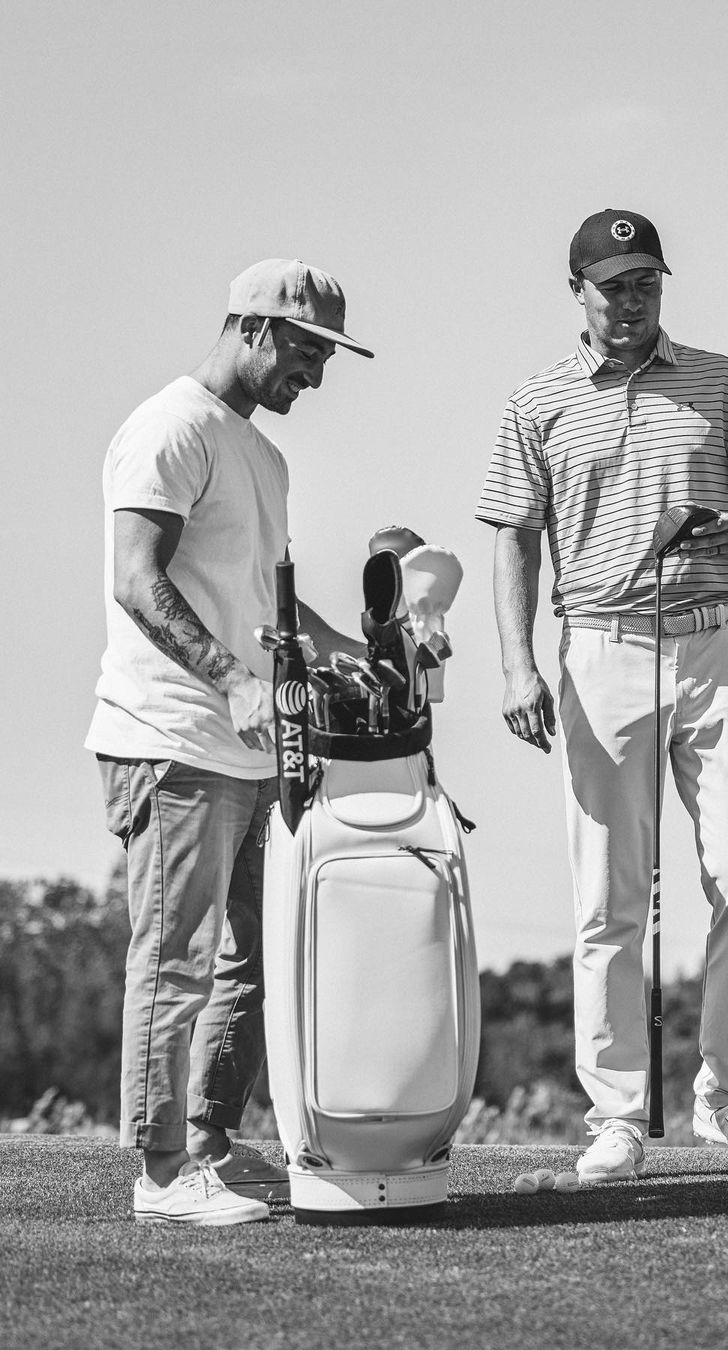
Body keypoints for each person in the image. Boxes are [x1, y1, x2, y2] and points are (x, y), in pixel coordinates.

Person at [477, 210, 728, 1182]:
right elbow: (513, 537)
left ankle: (726, 1099)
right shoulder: (536, 402)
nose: (632, 300)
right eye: (614, 285)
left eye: (647, 282)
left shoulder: (719, 380)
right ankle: (615, 1116)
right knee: (608, 899)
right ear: (577, 291)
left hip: (716, 644)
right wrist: (518, 666)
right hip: (602, 651)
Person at [86, 258, 374, 1224]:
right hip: (172, 737)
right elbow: (137, 577)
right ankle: (162, 1175)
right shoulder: (169, 428)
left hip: (252, 750)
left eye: (327, 358)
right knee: (175, 958)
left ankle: (209, 1145)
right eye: (307, 351)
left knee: (257, 958)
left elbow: (268, 610)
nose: (317, 375)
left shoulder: (264, 457)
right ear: (252, 327)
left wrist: (365, 655)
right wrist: (234, 681)